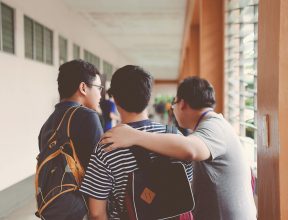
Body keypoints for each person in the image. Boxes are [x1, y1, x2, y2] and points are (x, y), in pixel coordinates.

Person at [100, 76, 257, 220]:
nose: (173, 109)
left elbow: (190, 150)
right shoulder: (215, 124)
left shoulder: (214, 126)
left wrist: (134, 136)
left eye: (173, 104)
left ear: (182, 103)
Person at [79, 65, 193, 219]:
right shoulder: (175, 139)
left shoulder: (107, 145)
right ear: (149, 97)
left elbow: (97, 213)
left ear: (116, 99)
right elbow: (188, 187)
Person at [38, 59, 104, 220]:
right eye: (99, 88)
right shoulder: (87, 116)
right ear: (83, 88)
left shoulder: (47, 124)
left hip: (53, 207)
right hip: (80, 210)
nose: (101, 94)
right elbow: (101, 172)